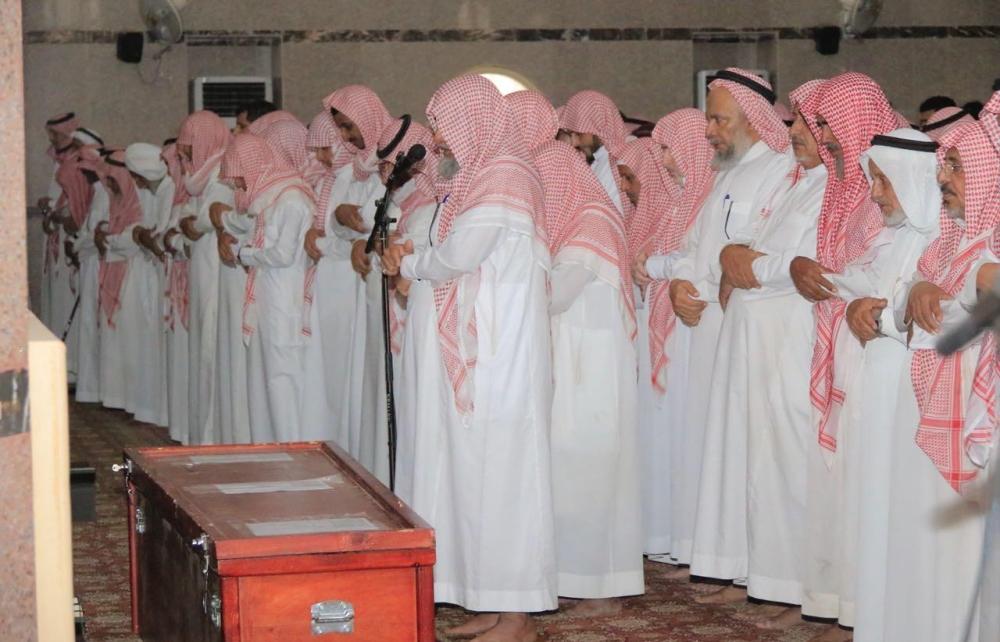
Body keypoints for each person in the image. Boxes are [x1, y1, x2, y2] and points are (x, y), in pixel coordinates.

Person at [382, 74, 554, 642]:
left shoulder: (505, 176)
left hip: (502, 355)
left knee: (503, 475)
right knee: (470, 475)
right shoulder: (474, 180)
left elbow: (461, 254)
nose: (436, 139)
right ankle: (487, 597)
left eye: (442, 127)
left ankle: (517, 614)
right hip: (476, 351)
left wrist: (408, 262)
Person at [655, 68, 795, 604]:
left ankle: (748, 571)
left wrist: (703, 283)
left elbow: (755, 255)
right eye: (709, 120)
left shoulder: (779, 171)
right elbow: (694, 246)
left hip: (742, 328)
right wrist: (679, 284)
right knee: (715, 450)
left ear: (753, 119)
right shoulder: (727, 174)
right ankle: (725, 562)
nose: (710, 131)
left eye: (719, 119)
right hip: (706, 327)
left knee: (746, 453)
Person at [696, 79, 828, 628]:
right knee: (753, 460)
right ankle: (761, 576)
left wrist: (748, 263)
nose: (794, 131)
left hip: (790, 337)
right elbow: (747, 244)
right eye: (794, 121)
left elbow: (806, 264)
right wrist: (737, 256)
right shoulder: (798, 180)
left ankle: (797, 588)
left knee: (787, 461)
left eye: (807, 124)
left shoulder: (831, 187)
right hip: (753, 335)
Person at [789, 74, 899, 637]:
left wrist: (824, 277)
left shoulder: (887, 186)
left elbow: (880, 273)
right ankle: (839, 603)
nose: (823, 135)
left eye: (829, 124)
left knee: (864, 484)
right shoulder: (845, 185)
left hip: (873, 348)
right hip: (840, 342)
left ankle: (864, 609)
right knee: (836, 483)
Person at [882, 120, 999, 642]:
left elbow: (960, 313)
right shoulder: (951, 239)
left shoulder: (988, 248)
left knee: (965, 552)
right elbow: (906, 299)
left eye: (956, 167)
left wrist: (937, 296)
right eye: (943, 166)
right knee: (928, 542)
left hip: (972, 406)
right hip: (931, 401)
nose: (943, 178)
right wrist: (919, 292)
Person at [834, 129, 942, 641]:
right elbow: (866, 286)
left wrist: (875, 315)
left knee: (901, 517)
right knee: (873, 510)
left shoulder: (940, 237)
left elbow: (921, 315)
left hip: (911, 401)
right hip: (877, 395)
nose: (874, 193)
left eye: (883, 180)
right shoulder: (897, 236)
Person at [535, 139, 643, 615]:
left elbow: (553, 294)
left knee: (590, 471)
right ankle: (576, 578)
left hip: (593, 369)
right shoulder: (573, 224)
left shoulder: (590, 227)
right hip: (575, 363)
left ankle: (600, 587)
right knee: (571, 470)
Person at [632, 110, 716, 572]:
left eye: (669, 149)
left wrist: (654, 264)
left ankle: (690, 539)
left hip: (691, 333)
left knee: (688, 433)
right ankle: (665, 533)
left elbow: (695, 260)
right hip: (666, 332)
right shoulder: (675, 203)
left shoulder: (708, 198)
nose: (663, 160)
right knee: (664, 434)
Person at [312, 85, 394, 479]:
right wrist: (345, 219)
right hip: (356, 286)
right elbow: (343, 224)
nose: (346, 137)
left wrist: (350, 220)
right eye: (341, 129)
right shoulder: (358, 169)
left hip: (376, 284)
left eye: (349, 127)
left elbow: (376, 220)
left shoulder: (389, 166)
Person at [218, 134, 315, 442]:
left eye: (240, 176)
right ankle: (268, 449)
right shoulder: (270, 200)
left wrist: (242, 254)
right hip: (268, 300)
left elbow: (283, 255)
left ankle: (292, 452)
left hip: (286, 303)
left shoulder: (291, 200)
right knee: (264, 380)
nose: (238, 184)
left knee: (283, 380)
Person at [618, 135, 681, 562]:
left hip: (676, 341)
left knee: (670, 438)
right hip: (648, 339)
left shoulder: (676, 213)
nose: (626, 188)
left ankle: (672, 538)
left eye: (631, 178)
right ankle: (655, 534)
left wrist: (651, 269)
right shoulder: (644, 217)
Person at [173, 110, 232, 444]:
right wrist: (190, 223)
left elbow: (200, 224)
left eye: (189, 148)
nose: (184, 156)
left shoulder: (222, 173)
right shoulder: (201, 179)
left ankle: (210, 436)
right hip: (201, 270)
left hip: (216, 272)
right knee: (201, 349)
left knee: (210, 348)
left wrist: (190, 223)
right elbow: (187, 218)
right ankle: (200, 433)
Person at [122, 142, 175, 427]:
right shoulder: (155, 190)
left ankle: (162, 411)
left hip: (165, 276)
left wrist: (144, 236)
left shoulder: (169, 188)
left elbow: (160, 240)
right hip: (154, 273)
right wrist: (144, 235)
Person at [560, 90, 631, 215]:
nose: (575, 143)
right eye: (571, 134)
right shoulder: (598, 159)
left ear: (596, 125)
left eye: (578, 134)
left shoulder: (624, 158)